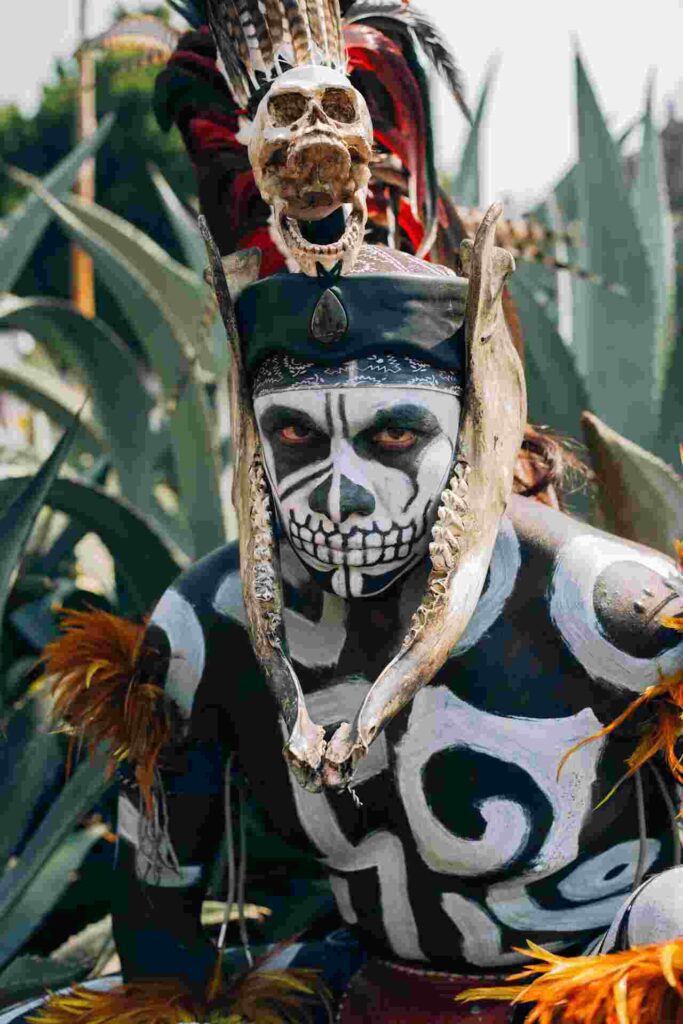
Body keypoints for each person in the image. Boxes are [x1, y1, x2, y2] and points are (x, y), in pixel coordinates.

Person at [7, 2, 683, 1022]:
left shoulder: (610, 612)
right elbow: (160, 941)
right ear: (250, 435)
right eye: (294, 437)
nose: (338, 486)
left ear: (470, 427)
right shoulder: (205, 634)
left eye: (392, 436)